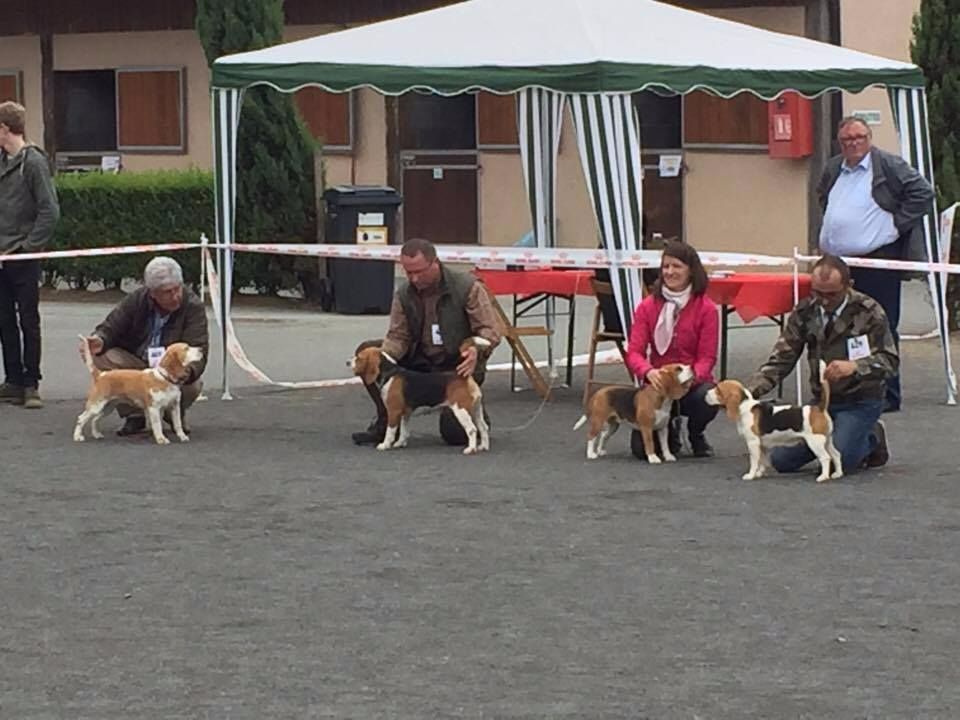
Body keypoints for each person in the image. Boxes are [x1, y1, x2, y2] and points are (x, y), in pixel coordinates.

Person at [817, 116, 934, 413]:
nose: (853, 143)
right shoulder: (833, 168)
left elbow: (923, 193)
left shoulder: (888, 165)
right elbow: (823, 197)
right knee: (845, 327)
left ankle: (887, 393)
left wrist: (896, 225)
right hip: (841, 265)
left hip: (878, 260)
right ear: (839, 143)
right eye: (846, 140)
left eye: (858, 137)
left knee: (879, 324)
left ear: (869, 138)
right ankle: (850, 389)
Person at [746, 254, 896, 474]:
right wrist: (748, 392)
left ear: (849, 286)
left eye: (832, 294)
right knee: (781, 462)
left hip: (861, 400)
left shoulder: (869, 311)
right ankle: (834, 436)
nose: (824, 300)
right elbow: (782, 358)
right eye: (818, 293)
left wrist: (855, 367)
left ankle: (872, 436)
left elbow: (890, 361)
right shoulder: (805, 311)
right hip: (821, 402)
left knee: (841, 461)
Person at [352, 237, 501, 446]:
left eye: (419, 272)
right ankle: (388, 416)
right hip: (420, 360)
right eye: (408, 271)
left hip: (458, 366)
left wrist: (476, 350)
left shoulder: (468, 287)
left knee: (455, 435)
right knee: (366, 351)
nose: (413, 278)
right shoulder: (403, 293)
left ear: (435, 263)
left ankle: (474, 412)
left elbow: (490, 331)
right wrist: (382, 356)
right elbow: (398, 336)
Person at [80, 257, 208, 436]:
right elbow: (111, 326)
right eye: (167, 292)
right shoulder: (135, 300)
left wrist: (188, 371)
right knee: (101, 356)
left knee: (194, 385)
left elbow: (199, 346)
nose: (175, 296)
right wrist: (99, 340)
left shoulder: (193, 306)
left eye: (177, 289)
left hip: (170, 369)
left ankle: (172, 412)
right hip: (138, 365)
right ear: (152, 293)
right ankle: (134, 414)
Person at [625, 241, 719, 459]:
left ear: (691, 271)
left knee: (708, 397)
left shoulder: (707, 309)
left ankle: (696, 433)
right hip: (658, 385)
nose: (669, 272)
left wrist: (690, 378)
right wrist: (648, 372)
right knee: (641, 452)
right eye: (666, 266)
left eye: (677, 266)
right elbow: (634, 352)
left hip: (691, 384)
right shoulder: (647, 306)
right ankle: (668, 427)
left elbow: (708, 357)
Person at [0, 101, 60, 409]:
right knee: (4, 319)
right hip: (1, 256)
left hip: (22, 255)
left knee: (28, 319)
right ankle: (12, 380)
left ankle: (31, 382)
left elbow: (49, 211)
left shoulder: (33, 162)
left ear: (5, 129)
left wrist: (29, 247)